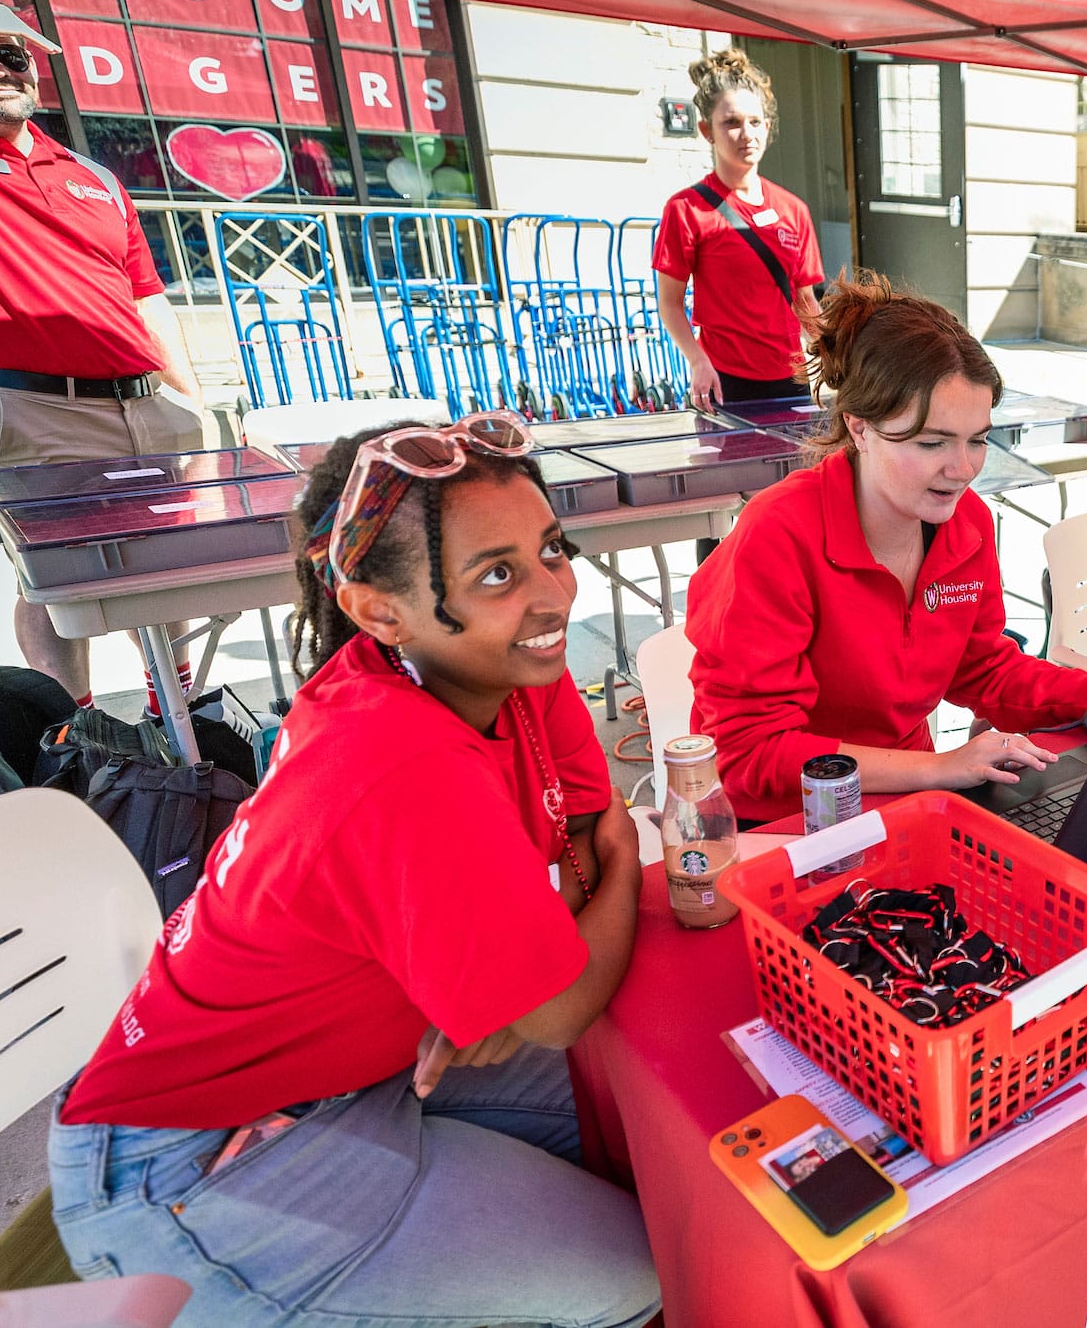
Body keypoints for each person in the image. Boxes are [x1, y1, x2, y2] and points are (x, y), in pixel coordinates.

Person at [48, 412, 661, 1328]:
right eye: (497, 573)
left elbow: (579, 830)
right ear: (379, 610)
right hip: (198, 1157)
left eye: (552, 548)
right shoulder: (399, 758)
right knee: (643, 1278)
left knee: (661, 1120)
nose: (553, 595)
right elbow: (565, 992)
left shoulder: (507, 664)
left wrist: (514, 972)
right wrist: (604, 879)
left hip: (377, 1064)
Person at [686, 274, 1087, 818]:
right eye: (932, 443)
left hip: (907, 800)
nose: (962, 469)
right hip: (786, 821)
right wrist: (940, 767)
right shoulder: (777, 535)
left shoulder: (967, 524)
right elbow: (750, 754)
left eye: (977, 440)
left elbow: (980, 667)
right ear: (859, 429)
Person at [0, 3, 209, 708]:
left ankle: (173, 713)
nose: (4, 68)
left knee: (162, 566)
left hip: (146, 405)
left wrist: (195, 405)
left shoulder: (90, 173)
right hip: (33, 411)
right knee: (60, 579)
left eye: (15, 54)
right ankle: (75, 734)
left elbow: (147, 298)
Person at [654, 47, 824, 413]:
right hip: (725, 381)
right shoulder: (686, 210)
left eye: (755, 121)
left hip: (792, 379)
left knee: (797, 470)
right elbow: (669, 304)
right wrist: (697, 361)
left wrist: (842, 358)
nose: (746, 133)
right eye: (731, 122)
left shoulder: (793, 210)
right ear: (706, 131)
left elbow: (805, 301)